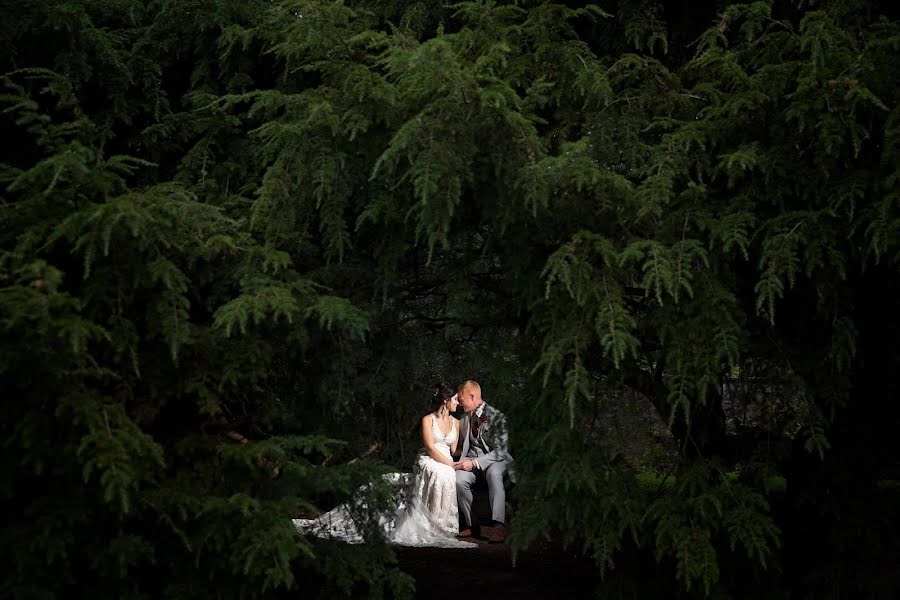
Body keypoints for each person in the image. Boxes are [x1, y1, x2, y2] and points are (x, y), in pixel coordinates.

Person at [293, 383, 476, 548]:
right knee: (438, 472)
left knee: (447, 474)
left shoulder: (457, 422)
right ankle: (428, 521)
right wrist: (450, 464)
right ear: (445, 401)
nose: (458, 403)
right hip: (429, 458)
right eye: (454, 399)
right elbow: (429, 447)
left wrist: (468, 456)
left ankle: (441, 523)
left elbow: (453, 449)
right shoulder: (427, 420)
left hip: (446, 458)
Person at [454, 380, 514, 543]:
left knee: (494, 473)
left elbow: (500, 451)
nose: (460, 403)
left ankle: (498, 526)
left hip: (496, 459)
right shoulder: (465, 419)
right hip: (472, 460)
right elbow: (462, 447)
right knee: (459, 479)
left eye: (461, 399)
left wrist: (474, 463)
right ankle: (472, 524)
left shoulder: (497, 417)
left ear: (472, 396)